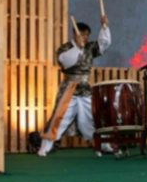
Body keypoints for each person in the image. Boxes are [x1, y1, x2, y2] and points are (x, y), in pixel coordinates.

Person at [39, 18, 112, 155]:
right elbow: (66, 62)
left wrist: (104, 27)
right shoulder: (65, 48)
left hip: (85, 88)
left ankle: (104, 144)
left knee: (94, 117)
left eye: (87, 35)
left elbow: (104, 43)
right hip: (69, 88)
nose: (85, 37)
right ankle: (44, 148)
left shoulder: (89, 48)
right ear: (74, 34)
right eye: (82, 34)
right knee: (60, 117)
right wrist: (77, 47)